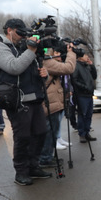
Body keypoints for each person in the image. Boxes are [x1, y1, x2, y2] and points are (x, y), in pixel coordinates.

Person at [0, 18, 52, 185]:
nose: (22, 36)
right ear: (9, 30)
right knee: (23, 136)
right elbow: (14, 67)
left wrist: (43, 74)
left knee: (40, 132)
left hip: (34, 97)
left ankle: (34, 166)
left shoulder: (22, 46)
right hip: (17, 100)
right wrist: (31, 50)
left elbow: (29, 69)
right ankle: (21, 172)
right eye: (19, 32)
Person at [38, 39, 76, 168]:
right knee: (50, 132)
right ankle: (45, 158)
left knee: (50, 131)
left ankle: (46, 156)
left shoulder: (44, 60)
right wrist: (71, 53)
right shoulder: (46, 62)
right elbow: (69, 68)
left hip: (52, 101)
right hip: (51, 102)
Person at [71, 49, 98, 143]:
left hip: (89, 94)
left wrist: (92, 65)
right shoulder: (76, 66)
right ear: (80, 57)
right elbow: (74, 80)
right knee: (83, 114)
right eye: (85, 55)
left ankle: (87, 132)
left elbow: (94, 76)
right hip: (82, 94)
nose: (87, 57)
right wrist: (85, 87)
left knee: (89, 115)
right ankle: (82, 134)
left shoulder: (86, 66)